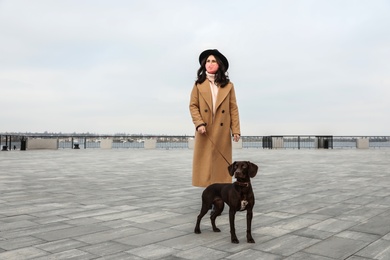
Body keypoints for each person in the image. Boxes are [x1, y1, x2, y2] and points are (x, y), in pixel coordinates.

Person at [189, 49, 240, 187]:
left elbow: (233, 108)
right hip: (205, 130)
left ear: (219, 65)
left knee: (220, 164)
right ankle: (211, 196)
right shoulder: (198, 85)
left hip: (222, 131)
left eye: (213, 61)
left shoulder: (229, 86)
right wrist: (199, 123)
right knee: (205, 164)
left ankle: (219, 193)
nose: (210, 64)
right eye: (208, 61)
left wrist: (235, 130)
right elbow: (193, 106)